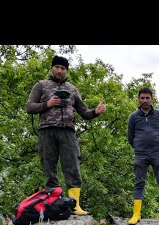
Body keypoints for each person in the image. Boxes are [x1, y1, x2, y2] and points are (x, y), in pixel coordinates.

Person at [26, 55, 106, 215]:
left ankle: (75, 206)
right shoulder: (41, 85)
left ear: (66, 71)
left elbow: (84, 112)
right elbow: (29, 107)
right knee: (49, 168)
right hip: (46, 130)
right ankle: (54, 204)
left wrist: (95, 112)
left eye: (63, 68)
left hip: (68, 131)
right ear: (52, 68)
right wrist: (46, 104)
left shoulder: (72, 89)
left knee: (72, 167)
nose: (60, 71)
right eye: (57, 67)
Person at [127, 87, 159, 225]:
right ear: (138, 99)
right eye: (142, 98)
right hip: (140, 154)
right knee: (139, 183)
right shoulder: (133, 117)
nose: (145, 100)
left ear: (152, 99)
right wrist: (139, 147)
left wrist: (157, 144)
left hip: (157, 153)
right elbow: (130, 137)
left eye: (147, 98)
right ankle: (136, 215)